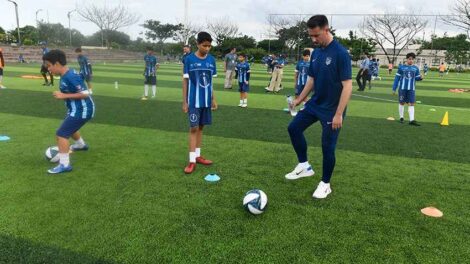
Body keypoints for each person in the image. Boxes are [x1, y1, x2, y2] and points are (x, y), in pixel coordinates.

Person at [286, 15, 353, 199]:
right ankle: (304, 166)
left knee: (327, 147)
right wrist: (300, 99)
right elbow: (312, 79)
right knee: (293, 128)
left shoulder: (340, 53)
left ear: (326, 29)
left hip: (332, 109)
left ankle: (325, 184)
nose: (314, 40)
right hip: (315, 104)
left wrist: (339, 114)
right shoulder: (316, 53)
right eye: (311, 36)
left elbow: (348, 85)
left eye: (316, 35)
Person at [43, 50, 95, 174]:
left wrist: (63, 96)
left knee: (61, 134)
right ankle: (81, 145)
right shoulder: (65, 75)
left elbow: (86, 94)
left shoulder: (70, 76)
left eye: (49, 66)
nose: (49, 69)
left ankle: (64, 165)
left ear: (56, 64)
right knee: (70, 128)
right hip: (75, 109)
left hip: (83, 109)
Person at [182, 32, 217, 174]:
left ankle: (198, 156)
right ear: (198, 44)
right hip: (193, 101)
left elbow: (211, 82)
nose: (207, 48)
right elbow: (185, 81)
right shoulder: (189, 59)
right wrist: (184, 101)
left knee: (201, 128)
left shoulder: (212, 60)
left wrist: (213, 98)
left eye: (209, 46)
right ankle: (191, 161)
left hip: (206, 101)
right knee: (193, 129)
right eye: (204, 45)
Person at [392, 52, 423, 126]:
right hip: (402, 88)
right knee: (402, 103)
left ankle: (411, 120)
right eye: (409, 59)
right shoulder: (401, 67)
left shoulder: (415, 68)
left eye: (412, 59)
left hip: (411, 89)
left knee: (411, 103)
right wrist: (394, 88)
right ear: (407, 59)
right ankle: (401, 117)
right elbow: (397, 78)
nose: (411, 60)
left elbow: (417, 78)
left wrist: (421, 78)